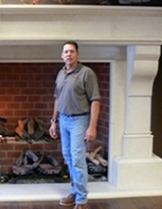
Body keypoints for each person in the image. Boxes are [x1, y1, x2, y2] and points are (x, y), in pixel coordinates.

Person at [49, 41, 101, 209]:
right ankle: (75, 191)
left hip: (79, 120)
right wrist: (53, 121)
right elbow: (57, 98)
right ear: (62, 55)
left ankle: (82, 200)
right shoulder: (61, 73)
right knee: (69, 158)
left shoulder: (87, 73)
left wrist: (92, 127)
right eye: (66, 52)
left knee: (78, 160)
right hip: (63, 120)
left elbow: (95, 100)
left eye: (72, 51)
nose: (68, 54)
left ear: (77, 54)